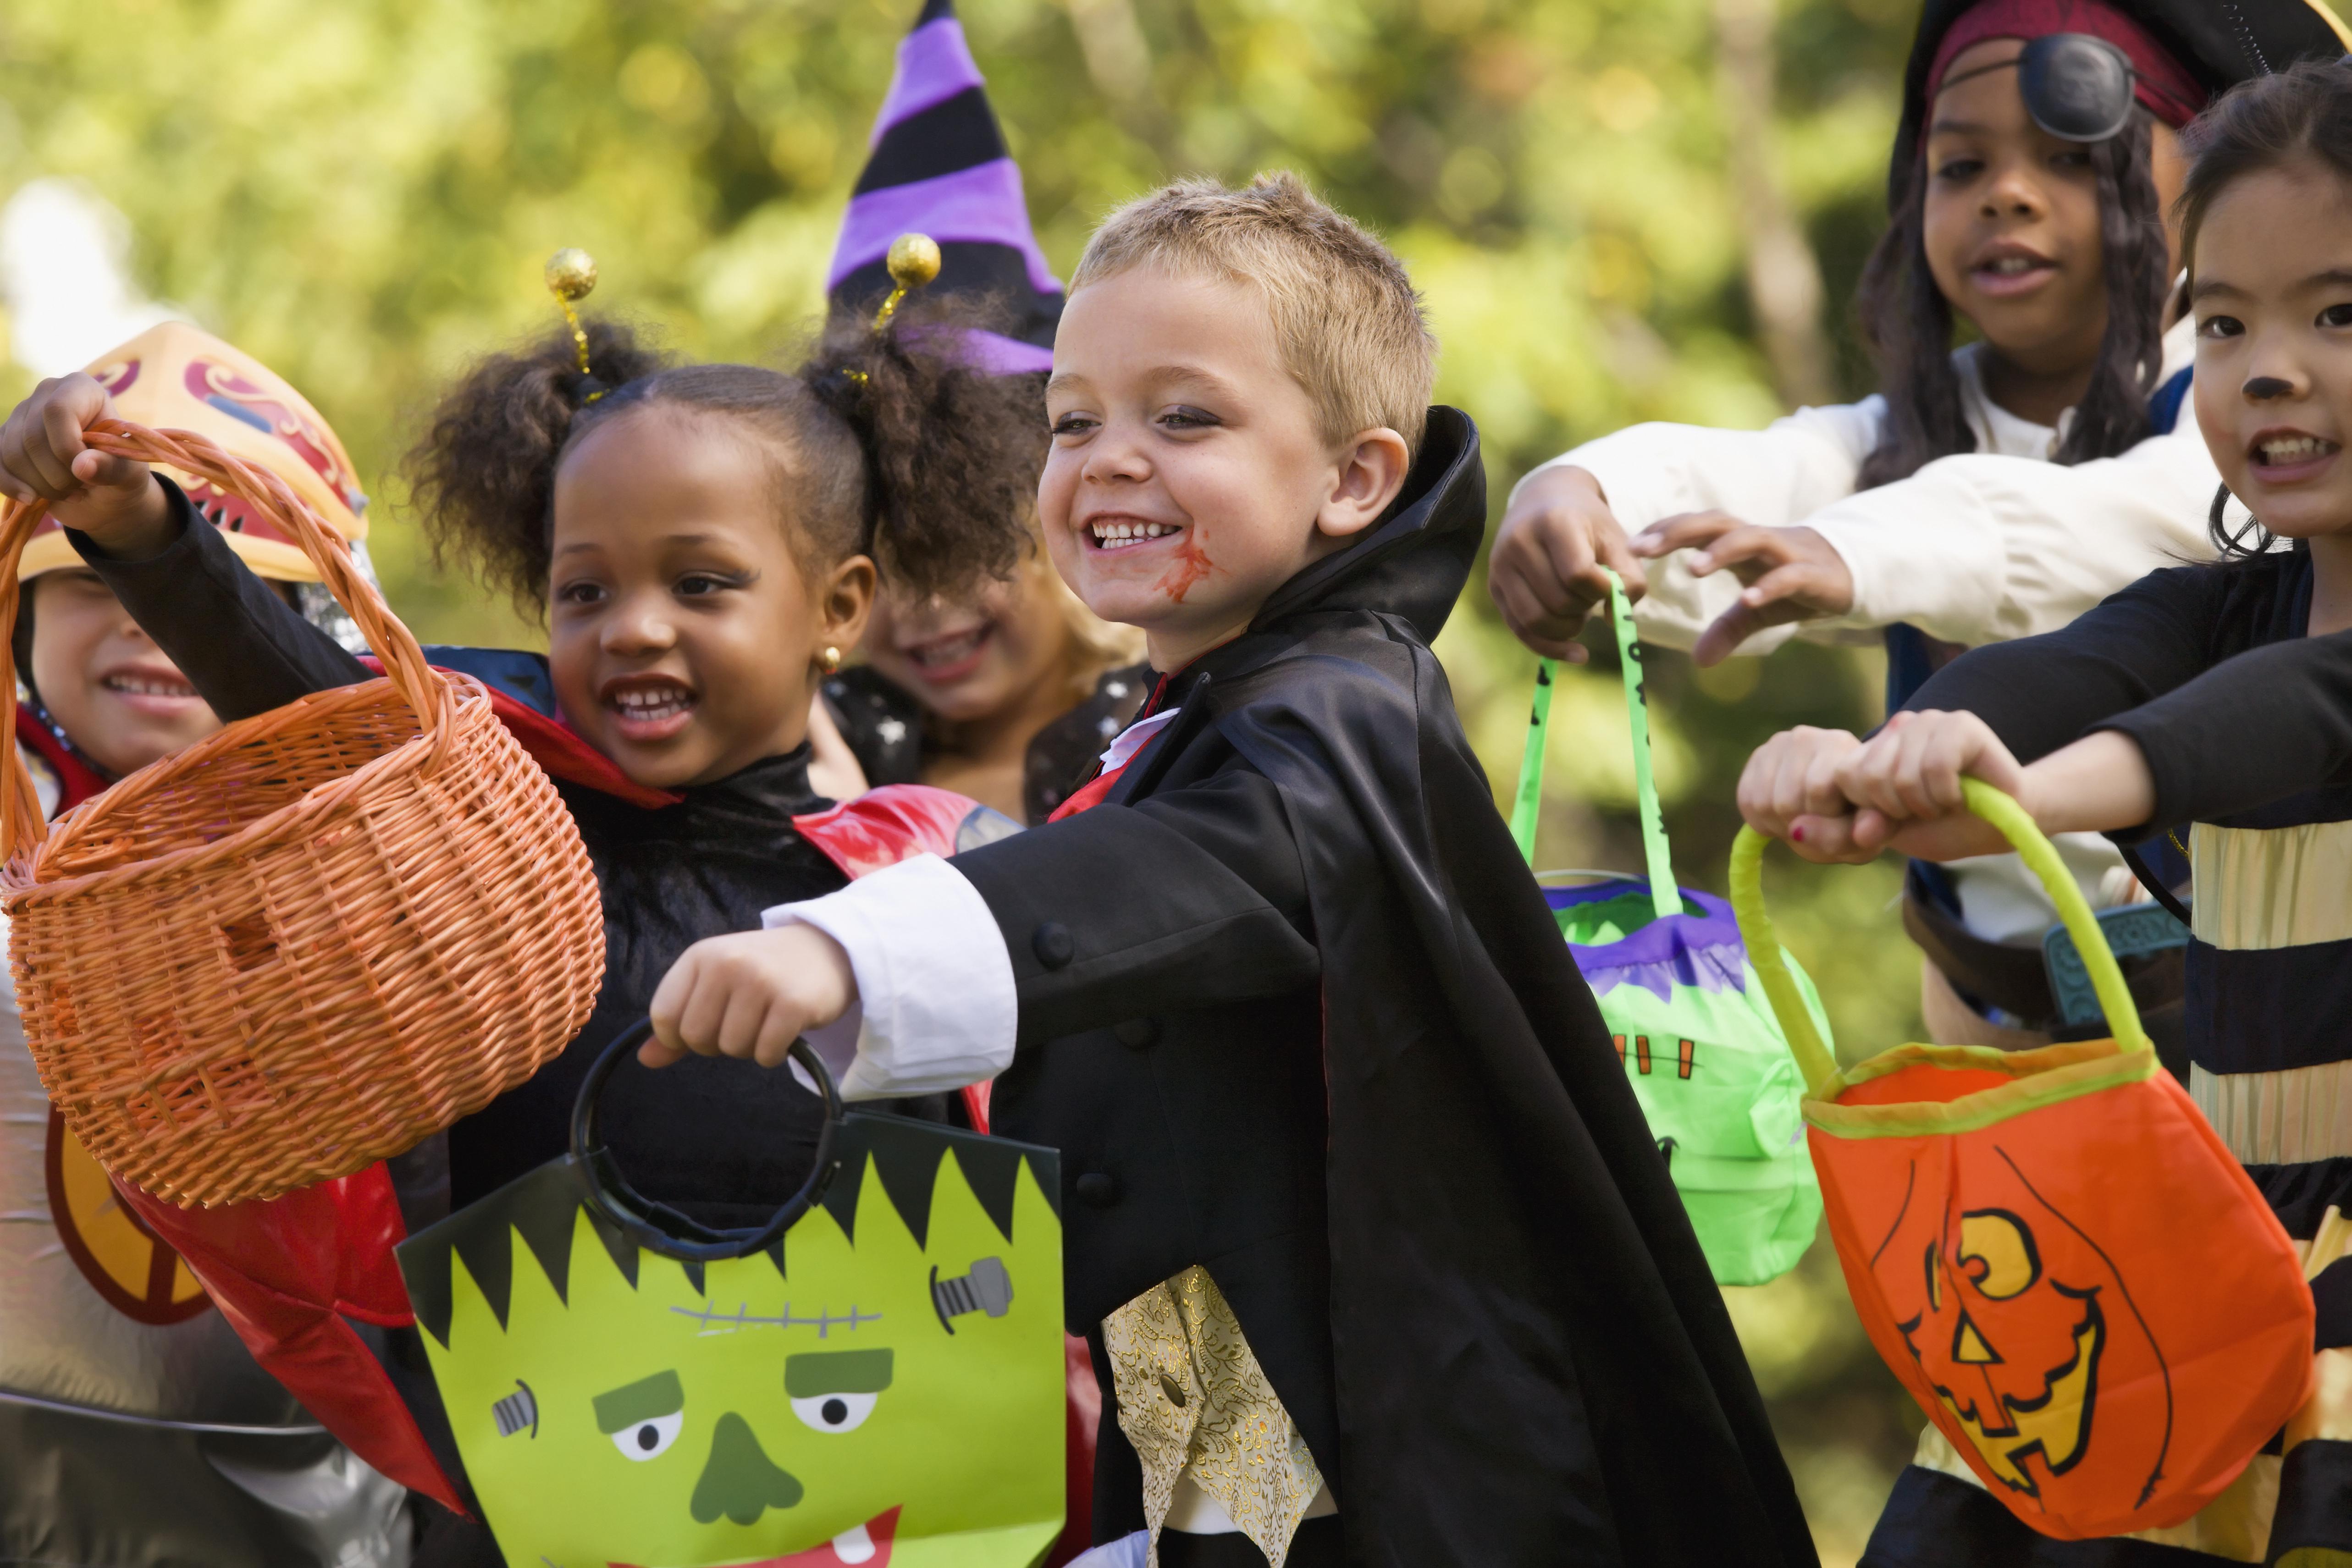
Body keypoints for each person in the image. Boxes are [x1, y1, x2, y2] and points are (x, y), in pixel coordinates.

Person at [638, 171, 1818, 1568]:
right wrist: (1192, 1534)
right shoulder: (1188, 721)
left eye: (1183, 415)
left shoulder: (1339, 713)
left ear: (1354, 479)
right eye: (1072, 420)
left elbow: (1211, 863)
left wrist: (849, 949)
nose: (1110, 458)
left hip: (1432, 1470)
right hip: (1220, 1384)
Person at [0, 293, 1039, 1561]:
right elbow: (309, 701)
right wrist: (138, 530)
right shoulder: (488, 818)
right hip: (520, 1510)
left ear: (841, 605)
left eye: (702, 583)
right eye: (583, 589)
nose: (635, 626)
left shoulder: (927, 896)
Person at [1739, 57, 2352, 1561]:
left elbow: (2262, 723)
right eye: (2223, 323)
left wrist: (2024, 792)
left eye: (2339, 314)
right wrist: (1865, 767)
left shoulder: (2271, 673)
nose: (2269, 366)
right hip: (2207, 1252)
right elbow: (2049, 680)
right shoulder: (2208, 607)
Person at [1487, 0, 2347, 1053]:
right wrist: (1579, 498)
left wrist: (1856, 553)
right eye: (1959, 166)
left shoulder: (2215, 432)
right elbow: (1763, 477)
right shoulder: (1906, 440)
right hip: (1986, 1040)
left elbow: (2129, 529)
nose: (2010, 197)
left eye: (2074, 156)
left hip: (2223, 1030)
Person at [0, 322, 410, 1567]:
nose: (145, 626)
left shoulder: (379, 856)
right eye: (90, 581)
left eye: (177, 589)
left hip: (318, 1500)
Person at [815, 0, 1148, 824]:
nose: (926, 606)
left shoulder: (1170, 747)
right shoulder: (815, 750)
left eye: (962, 545)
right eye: (889, 558)